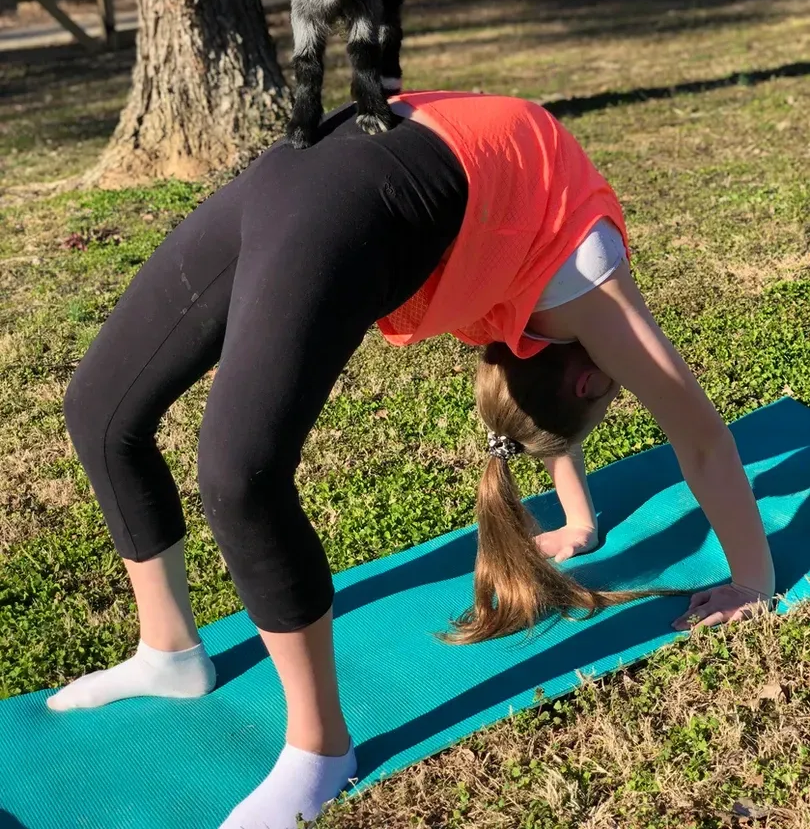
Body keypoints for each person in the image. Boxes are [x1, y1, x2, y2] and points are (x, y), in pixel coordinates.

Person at [49, 92, 775, 829]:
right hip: (345, 179)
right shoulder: (591, 280)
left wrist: (581, 520)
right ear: (588, 376)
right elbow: (702, 436)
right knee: (116, 418)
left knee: (229, 469)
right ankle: (171, 653)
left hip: (323, 162)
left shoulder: (539, 288)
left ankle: (318, 747)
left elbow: (550, 399)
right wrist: (753, 577)